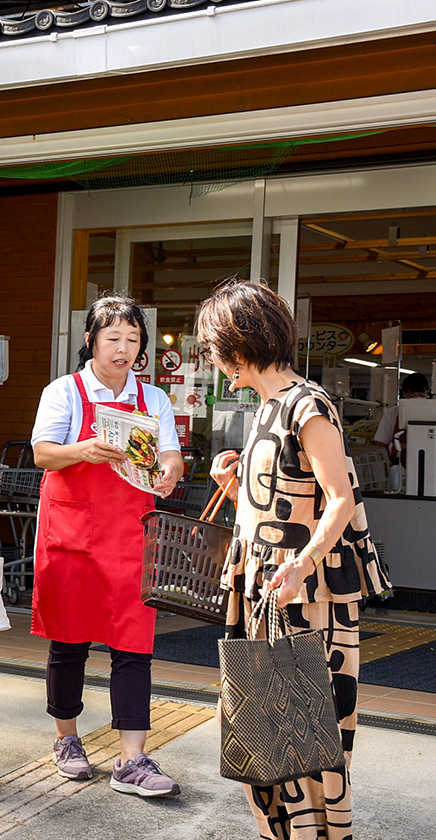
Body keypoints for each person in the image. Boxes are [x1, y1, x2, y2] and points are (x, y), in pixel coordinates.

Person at [199, 280, 391, 839]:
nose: (214, 362)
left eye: (216, 349)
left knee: (308, 728)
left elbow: (340, 499)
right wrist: (234, 487)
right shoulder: (265, 408)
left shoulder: (308, 404)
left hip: (307, 594)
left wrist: (303, 563)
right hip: (266, 587)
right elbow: (277, 507)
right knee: (260, 726)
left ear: (240, 345)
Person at [29, 295, 184, 797]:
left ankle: (132, 759)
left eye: (133, 340)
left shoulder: (154, 399)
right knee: (69, 643)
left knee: (133, 646)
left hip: (130, 537)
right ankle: (67, 740)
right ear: (91, 340)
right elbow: (43, 454)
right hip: (72, 536)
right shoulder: (64, 392)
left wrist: (167, 474)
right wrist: (84, 450)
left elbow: (171, 457)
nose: (123, 349)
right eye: (113, 338)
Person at [373, 371, 431, 464]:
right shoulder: (392, 413)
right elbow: (382, 442)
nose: (417, 399)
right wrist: (387, 463)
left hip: (429, 463)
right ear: (404, 394)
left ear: (427, 392)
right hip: (400, 465)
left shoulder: (433, 412)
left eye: (421, 395)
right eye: (412, 396)